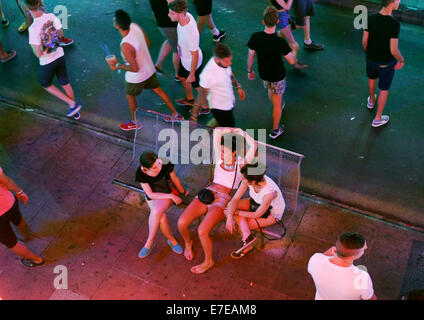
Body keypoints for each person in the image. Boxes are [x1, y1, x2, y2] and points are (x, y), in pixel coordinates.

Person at [177, 127, 257, 274]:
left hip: (223, 199)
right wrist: (234, 129)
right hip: (208, 193)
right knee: (181, 222)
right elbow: (218, 131)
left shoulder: (241, 164)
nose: (220, 153)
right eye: (220, 150)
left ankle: (208, 261)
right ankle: (188, 242)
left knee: (202, 231)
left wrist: (242, 133)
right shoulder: (219, 157)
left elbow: (254, 146)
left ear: (234, 152)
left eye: (224, 151)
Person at [108, 9, 183, 131]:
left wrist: (117, 65)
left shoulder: (125, 45)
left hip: (136, 78)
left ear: (117, 26)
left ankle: (134, 122)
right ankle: (176, 115)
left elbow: (134, 68)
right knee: (159, 90)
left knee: (130, 95)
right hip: (149, 69)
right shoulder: (135, 26)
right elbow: (147, 43)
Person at [26, 0, 81, 119]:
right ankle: (75, 111)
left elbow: (38, 54)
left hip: (47, 62)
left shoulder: (33, 28)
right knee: (65, 83)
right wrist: (52, 41)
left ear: (27, 8)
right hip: (60, 55)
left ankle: (72, 104)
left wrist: (40, 48)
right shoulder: (51, 16)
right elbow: (60, 33)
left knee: (46, 84)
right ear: (40, 3)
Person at [247, 6, 295, 139]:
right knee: (278, 102)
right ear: (277, 22)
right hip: (278, 76)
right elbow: (291, 61)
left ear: (263, 22)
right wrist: (294, 50)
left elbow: (250, 55)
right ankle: (275, 130)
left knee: (270, 90)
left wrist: (249, 70)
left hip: (264, 74)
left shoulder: (255, 37)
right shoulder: (280, 42)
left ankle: (277, 106)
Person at [224, 163, 285, 258]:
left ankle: (248, 244)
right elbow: (235, 199)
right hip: (255, 203)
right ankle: (248, 237)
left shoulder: (269, 193)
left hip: (271, 214)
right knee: (229, 208)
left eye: (243, 178)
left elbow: (257, 214)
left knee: (241, 222)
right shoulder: (251, 179)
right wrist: (229, 217)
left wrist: (235, 213)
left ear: (252, 182)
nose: (241, 179)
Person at [135, 151, 188, 258]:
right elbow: (150, 194)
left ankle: (149, 243)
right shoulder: (141, 173)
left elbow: (175, 178)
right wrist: (171, 197)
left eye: (159, 163)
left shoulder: (165, 163)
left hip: (167, 192)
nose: (159, 167)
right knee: (162, 217)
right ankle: (172, 241)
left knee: (156, 212)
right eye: (154, 167)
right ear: (145, 169)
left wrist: (181, 192)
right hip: (154, 197)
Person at [362, 0, 404, 128]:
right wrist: (402, 60)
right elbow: (393, 50)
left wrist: (370, 55)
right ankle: (377, 119)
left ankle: (371, 101)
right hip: (386, 64)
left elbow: (364, 42)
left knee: (372, 78)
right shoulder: (394, 24)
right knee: (384, 89)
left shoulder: (369, 17)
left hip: (371, 60)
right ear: (392, 2)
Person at [168, 0, 209, 116]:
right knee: (181, 76)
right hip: (184, 60)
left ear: (180, 14)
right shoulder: (186, 16)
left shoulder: (190, 32)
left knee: (197, 87)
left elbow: (194, 54)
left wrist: (191, 74)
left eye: (172, 13)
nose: (169, 15)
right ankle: (190, 99)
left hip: (192, 64)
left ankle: (205, 107)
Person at [308, 232, 377, 300]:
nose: (366, 247)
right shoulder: (361, 278)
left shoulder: (315, 259)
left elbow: (322, 257)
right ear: (353, 256)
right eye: (364, 249)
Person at [0, 167, 46, 268]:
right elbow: (6, 181)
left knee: (12, 243)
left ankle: (38, 260)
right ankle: (26, 236)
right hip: (9, 202)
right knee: (18, 218)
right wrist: (19, 191)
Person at [192, 42, 245, 127]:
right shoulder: (207, 75)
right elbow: (201, 96)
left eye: (230, 60)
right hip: (219, 107)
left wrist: (238, 86)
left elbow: (230, 74)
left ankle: (214, 124)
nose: (230, 63)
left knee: (223, 122)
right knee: (230, 127)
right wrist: (194, 116)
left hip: (229, 101)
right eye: (227, 61)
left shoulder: (223, 63)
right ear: (217, 60)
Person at [269, 0, 308, 69]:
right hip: (281, 18)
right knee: (295, 45)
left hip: (285, 15)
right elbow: (287, 7)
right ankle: (294, 63)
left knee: (282, 35)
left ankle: (275, 44)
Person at [149, 0, 180, 81]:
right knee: (177, 50)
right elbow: (174, 4)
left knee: (170, 41)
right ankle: (178, 74)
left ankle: (158, 65)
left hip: (161, 22)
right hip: (170, 23)